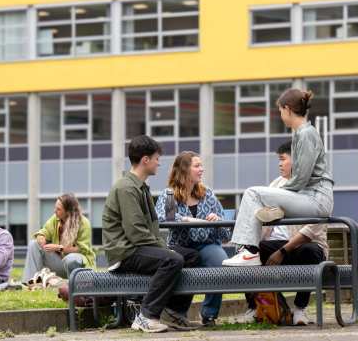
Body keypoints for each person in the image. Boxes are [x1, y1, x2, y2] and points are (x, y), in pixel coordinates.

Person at [222, 88, 334, 267]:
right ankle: (247, 251)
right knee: (258, 197)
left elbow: (301, 178)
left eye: (280, 111)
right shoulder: (302, 133)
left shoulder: (306, 134)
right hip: (312, 198)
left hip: (315, 199)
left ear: (287, 109)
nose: (280, 114)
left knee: (253, 193)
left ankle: (249, 251)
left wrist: (278, 195)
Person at [103, 135, 200, 333]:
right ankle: (146, 316)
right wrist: (166, 249)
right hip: (125, 252)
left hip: (138, 247)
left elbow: (148, 231)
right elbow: (136, 233)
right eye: (156, 158)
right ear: (145, 160)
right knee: (173, 260)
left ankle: (172, 313)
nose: (159, 162)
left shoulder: (140, 186)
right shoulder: (126, 188)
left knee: (191, 255)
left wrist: (165, 248)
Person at [242, 140, 328, 325]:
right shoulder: (275, 185)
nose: (280, 164)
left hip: (302, 245)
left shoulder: (316, 186)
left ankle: (300, 309)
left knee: (309, 251)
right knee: (248, 252)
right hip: (276, 244)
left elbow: (312, 229)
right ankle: (259, 306)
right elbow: (261, 218)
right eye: (278, 160)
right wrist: (249, 244)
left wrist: (282, 252)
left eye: (283, 159)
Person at [155, 151, 230, 326]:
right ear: (184, 170)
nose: (201, 169)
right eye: (197, 166)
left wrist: (217, 222)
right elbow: (162, 218)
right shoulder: (169, 194)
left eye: (201, 165)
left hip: (206, 245)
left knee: (221, 264)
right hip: (179, 246)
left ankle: (209, 315)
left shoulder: (208, 194)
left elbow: (226, 233)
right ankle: (177, 313)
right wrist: (187, 219)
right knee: (184, 262)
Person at [22, 193, 95, 283]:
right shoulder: (56, 219)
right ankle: (30, 282)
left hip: (78, 266)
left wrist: (59, 248)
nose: (54, 211)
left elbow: (82, 249)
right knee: (33, 244)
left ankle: (76, 285)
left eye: (58, 209)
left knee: (71, 259)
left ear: (68, 212)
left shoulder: (84, 223)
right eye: (55, 208)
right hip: (60, 263)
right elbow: (44, 231)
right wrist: (41, 237)